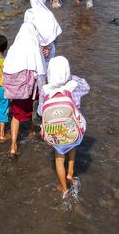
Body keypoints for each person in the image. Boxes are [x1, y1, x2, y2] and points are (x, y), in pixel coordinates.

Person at [40, 56, 90, 195]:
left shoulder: (45, 90)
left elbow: (41, 111)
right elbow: (87, 87)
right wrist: (70, 78)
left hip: (56, 131)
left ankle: (64, 189)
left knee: (59, 159)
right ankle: (70, 172)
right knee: (73, 143)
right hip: (71, 128)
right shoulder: (74, 86)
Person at [2, 20, 46, 156]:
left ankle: (13, 145)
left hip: (16, 91)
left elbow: (5, 68)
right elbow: (41, 71)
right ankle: (32, 132)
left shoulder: (13, 49)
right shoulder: (34, 48)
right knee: (33, 110)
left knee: (16, 116)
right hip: (30, 90)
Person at [24, 0, 63, 115]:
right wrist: (49, 46)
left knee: (35, 73)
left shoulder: (29, 14)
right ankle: (45, 101)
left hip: (34, 49)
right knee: (47, 73)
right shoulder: (48, 15)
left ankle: (33, 97)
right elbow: (56, 34)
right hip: (49, 49)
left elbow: (26, 33)